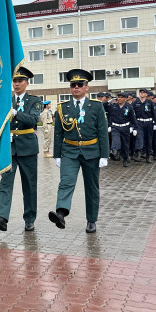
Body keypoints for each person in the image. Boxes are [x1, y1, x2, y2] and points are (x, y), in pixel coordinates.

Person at [48, 69, 109, 234]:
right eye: (73, 85)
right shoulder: (63, 107)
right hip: (70, 150)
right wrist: (57, 155)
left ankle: (91, 220)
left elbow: (102, 132)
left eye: (79, 84)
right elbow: (59, 133)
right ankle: (61, 213)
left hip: (92, 151)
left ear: (86, 87)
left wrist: (104, 155)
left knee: (91, 187)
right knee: (66, 182)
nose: (76, 87)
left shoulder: (96, 106)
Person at [0, 66, 40, 232]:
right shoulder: (6, 100)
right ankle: (2, 217)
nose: (16, 84)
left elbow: (33, 120)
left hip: (28, 147)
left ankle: (30, 218)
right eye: (15, 81)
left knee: (29, 185)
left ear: (26, 83)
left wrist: (15, 113)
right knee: (5, 183)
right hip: (8, 147)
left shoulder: (35, 100)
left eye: (20, 81)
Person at [107, 93, 138, 167]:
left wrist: (134, 128)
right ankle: (114, 150)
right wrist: (109, 125)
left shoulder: (129, 107)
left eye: (121, 97)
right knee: (115, 139)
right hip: (115, 127)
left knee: (125, 144)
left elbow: (133, 118)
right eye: (118, 97)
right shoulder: (113, 106)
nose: (119, 99)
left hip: (125, 127)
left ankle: (125, 158)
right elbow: (108, 113)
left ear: (125, 99)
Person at [132, 89, 155, 163]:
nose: (141, 94)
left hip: (148, 122)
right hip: (139, 122)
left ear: (146, 94)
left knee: (148, 140)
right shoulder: (136, 103)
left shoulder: (150, 102)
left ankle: (148, 156)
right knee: (139, 138)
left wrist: (155, 123)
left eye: (143, 93)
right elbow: (132, 113)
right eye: (140, 93)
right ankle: (138, 155)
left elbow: (154, 113)